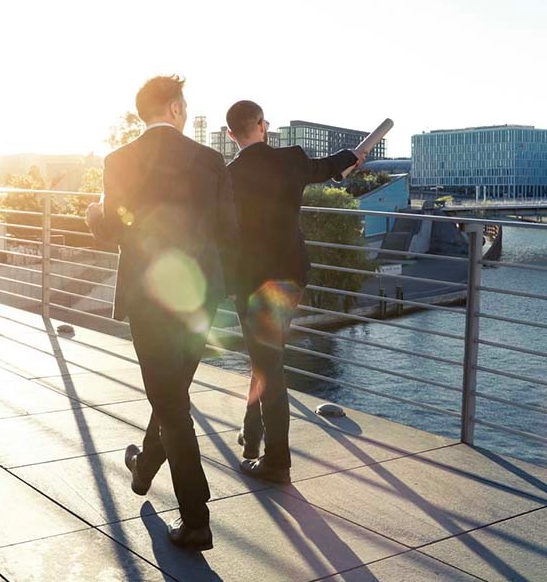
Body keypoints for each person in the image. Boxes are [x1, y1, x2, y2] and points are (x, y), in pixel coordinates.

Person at [86, 75, 238, 551]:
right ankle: (144, 469)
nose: (187, 112)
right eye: (185, 105)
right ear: (173, 108)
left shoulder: (119, 161)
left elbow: (111, 229)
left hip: (149, 296)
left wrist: (94, 212)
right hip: (199, 295)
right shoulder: (211, 160)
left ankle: (196, 520)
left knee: (170, 402)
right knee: (172, 393)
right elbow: (229, 229)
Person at [224, 100, 366, 484]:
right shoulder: (290, 159)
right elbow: (326, 167)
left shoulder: (228, 176)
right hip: (289, 276)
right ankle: (252, 438)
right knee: (267, 358)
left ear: (230, 134)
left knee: (267, 364)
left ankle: (277, 462)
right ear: (262, 126)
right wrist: (353, 155)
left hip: (251, 282)